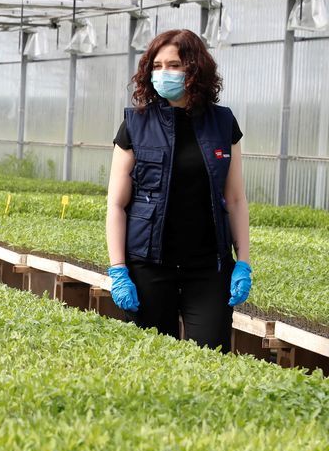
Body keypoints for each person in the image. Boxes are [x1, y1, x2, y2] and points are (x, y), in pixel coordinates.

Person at [105, 29, 252, 353]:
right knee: (151, 362)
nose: (163, 73)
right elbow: (116, 204)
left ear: (195, 69)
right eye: (156, 66)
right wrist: (118, 269)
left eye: (173, 65)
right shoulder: (135, 124)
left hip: (208, 269)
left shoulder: (223, 123)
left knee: (211, 358)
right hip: (148, 267)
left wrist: (243, 261)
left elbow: (236, 199)